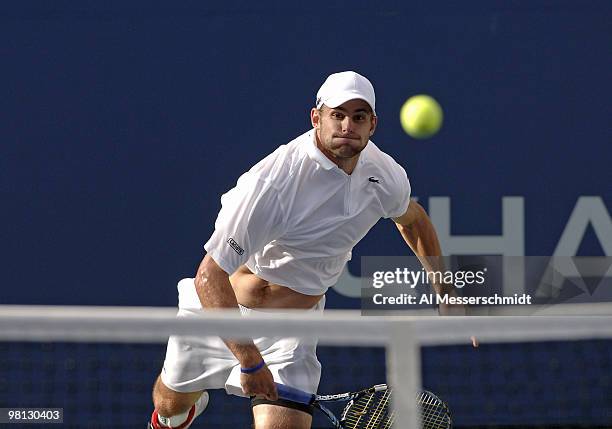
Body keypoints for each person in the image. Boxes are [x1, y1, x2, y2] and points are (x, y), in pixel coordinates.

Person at [148, 71, 471, 429]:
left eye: (359, 116)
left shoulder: (385, 176)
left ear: (372, 125)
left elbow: (413, 220)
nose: (348, 125)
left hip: (291, 332)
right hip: (219, 313)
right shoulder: (273, 183)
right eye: (338, 114)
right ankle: (172, 416)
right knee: (169, 405)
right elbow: (209, 274)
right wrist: (250, 359)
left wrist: (446, 291)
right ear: (316, 118)